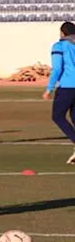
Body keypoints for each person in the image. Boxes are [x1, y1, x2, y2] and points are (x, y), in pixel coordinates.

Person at [43, 21, 75, 164]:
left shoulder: (59, 46)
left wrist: (49, 88)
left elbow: (57, 68)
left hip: (67, 86)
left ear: (62, 32)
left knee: (57, 116)